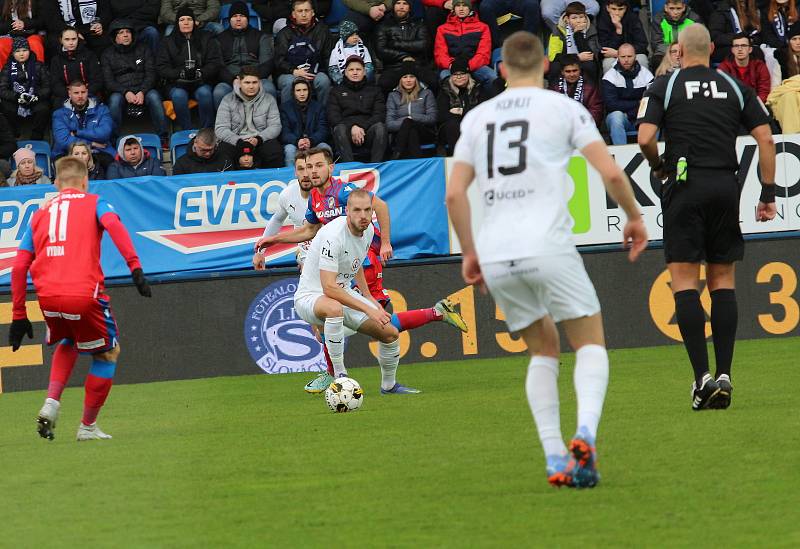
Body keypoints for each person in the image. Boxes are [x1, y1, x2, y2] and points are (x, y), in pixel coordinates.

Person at [446, 30, 647, 488]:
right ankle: (586, 433)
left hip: (497, 253)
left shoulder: (477, 118)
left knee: (543, 349)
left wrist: (471, 251)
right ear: (545, 68)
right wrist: (634, 217)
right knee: (590, 340)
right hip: (549, 245)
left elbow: (454, 194)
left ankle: (555, 457)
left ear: (500, 70)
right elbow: (611, 171)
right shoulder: (564, 108)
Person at [637, 24, 776, 411]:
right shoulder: (733, 86)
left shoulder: (665, 85)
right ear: (713, 49)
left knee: (685, 281)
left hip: (684, 184)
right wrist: (767, 193)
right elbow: (765, 138)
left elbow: (645, 138)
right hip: (723, 185)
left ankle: (702, 380)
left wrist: (660, 166)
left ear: (678, 50)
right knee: (722, 280)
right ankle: (726, 374)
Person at [256, 146, 468, 393]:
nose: (312, 172)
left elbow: (380, 208)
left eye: (317, 166)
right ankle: (338, 375)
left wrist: (386, 243)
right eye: (307, 167)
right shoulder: (318, 205)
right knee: (332, 318)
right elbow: (310, 231)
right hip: (335, 275)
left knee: (381, 329)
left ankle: (368, 379)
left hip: (362, 264)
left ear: (331, 167)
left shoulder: (347, 197)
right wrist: (273, 241)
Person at [8, 156, 152, 442]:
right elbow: (114, 226)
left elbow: (19, 265)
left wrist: (18, 314)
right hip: (84, 294)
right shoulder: (94, 202)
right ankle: (87, 426)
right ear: (85, 181)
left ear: (56, 183)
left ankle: (51, 402)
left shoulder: (39, 214)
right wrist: (134, 266)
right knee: (109, 352)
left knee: (70, 340)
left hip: (47, 297)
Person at [101, 20, 169, 149]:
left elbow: (151, 73)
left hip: (144, 89)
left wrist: (142, 91)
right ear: (115, 37)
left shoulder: (144, 49)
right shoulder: (107, 54)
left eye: (128, 32)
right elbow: (108, 81)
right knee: (114, 101)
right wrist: (125, 92)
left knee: (154, 96)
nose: (126, 35)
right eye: (121, 33)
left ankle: (163, 137)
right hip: (121, 92)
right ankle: (114, 139)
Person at [157, 7, 223, 131]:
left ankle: (207, 131)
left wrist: (199, 73)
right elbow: (162, 67)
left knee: (205, 93)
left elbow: (214, 63)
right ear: (177, 23)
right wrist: (181, 73)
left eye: (189, 19)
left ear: (194, 22)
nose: (186, 22)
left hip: (201, 81)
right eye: (182, 20)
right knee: (178, 96)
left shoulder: (206, 38)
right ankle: (186, 132)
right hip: (176, 83)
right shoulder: (167, 41)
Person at [253, 149, 314, 270]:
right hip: (307, 260)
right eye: (301, 169)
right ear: (295, 172)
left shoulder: (329, 196)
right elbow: (277, 220)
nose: (305, 174)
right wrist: (260, 252)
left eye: (309, 168)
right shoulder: (287, 195)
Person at [215, 66, 283, 169]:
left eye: (254, 82)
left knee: (274, 150)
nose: (251, 86)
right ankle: (229, 183)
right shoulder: (227, 100)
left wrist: (259, 139)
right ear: (239, 82)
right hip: (235, 141)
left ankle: (269, 181)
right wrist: (238, 141)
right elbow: (220, 129)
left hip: (260, 140)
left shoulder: (269, 100)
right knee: (222, 151)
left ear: (259, 82)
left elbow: (275, 126)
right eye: (247, 82)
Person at [213, 0, 277, 108]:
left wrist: (251, 80)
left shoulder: (261, 36)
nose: (238, 19)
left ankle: (268, 122)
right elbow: (218, 65)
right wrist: (232, 80)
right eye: (234, 16)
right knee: (219, 92)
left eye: (242, 16)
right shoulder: (219, 39)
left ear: (247, 18)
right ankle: (222, 124)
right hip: (231, 80)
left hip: (257, 78)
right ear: (229, 19)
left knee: (269, 89)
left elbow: (267, 63)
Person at [327, 55, 387, 162]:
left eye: (358, 69)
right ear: (345, 72)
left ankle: (376, 167)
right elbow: (333, 117)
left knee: (380, 127)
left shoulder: (375, 90)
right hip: (346, 133)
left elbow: (379, 114)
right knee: (339, 129)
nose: (355, 72)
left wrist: (362, 127)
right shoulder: (336, 91)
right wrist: (352, 127)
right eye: (351, 69)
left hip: (368, 131)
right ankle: (349, 167)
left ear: (364, 72)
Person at [273, 0, 333, 105]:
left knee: (323, 81)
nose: (304, 14)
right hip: (290, 73)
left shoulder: (323, 31)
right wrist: (294, 71)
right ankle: (288, 118)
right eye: (300, 11)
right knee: (289, 82)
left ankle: (323, 116)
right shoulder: (284, 33)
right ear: (293, 14)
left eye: (307, 10)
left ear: (313, 12)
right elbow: (278, 61)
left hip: (315, 71)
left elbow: (327, 57)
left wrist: (319, 71)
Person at [374, 0, 435, 94]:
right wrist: (404, 57)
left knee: (434, 81)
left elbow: (423, 45)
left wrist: (395, 44)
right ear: (393, 6)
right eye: (398, 3)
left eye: (405, 4)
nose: (401, 7)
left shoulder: (419, 24)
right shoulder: (384, 25)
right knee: (383, 84)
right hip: (394, 66)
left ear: (410, 7)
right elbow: (381, 50)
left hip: (417, 64)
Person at [434, 0, 496, 89]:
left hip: (475, 65)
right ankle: (455, 102)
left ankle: (486, 101)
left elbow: (484, 54)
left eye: (465, 5)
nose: (461, 9)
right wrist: (452, 66)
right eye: (458, 6)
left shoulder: (483, 27)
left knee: (492, 77)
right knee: (445, 78)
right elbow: (440, 54)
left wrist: (468, 66)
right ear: (453, 9)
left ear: (470, 8)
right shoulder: (442, 29)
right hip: (452, 66)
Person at [52, 80, 115, 164]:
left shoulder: (102, 110)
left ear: (87, 92)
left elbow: (104, 134)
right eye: (76, 93)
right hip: (68, 152)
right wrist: (91, 143)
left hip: (99, 151)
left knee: (109, 162)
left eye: (83, 92)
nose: (80, 96)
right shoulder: (59, 114)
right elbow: (63, 141)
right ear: (69, 94)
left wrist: (77, 133)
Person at [602, 43, 653, 145]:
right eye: (623, 57)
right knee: (616, 116)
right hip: (620, 119)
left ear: (635, 56)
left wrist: (630, 113)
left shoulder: (646, 75)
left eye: (629, 56)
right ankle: (622, 155)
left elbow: (650, 103)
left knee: (653, 116)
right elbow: (612, 105)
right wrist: (638, 103)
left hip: (640, 118)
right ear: (618, 57)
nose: (626, 60)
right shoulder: (609, 77)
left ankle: (652, 157)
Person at [0, 37, 50, 140]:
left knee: (44, 108)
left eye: (24, 50)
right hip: (17, 98)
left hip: (34, 97)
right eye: (17, 51)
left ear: (29, 51)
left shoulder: (38, 65)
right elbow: (2, 89)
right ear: (13, 53)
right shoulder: (7, 67)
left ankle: (37, 136)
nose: (21, 54)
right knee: (6, 106)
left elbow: (47, 86)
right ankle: (14, 133)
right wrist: (17, 97)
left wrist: (37, 95)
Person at [385, 61, 437, 159]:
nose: (408, 80)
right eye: (405, 77)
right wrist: (407, 121)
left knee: (409, 123)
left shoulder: (426, 93)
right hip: (401, 133)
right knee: (410, 129)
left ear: (416, 79)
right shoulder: (393, 95)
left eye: (411, 77)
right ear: (400, 80)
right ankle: (418, 160)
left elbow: (432, 118)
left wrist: (412, 118)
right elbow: (390, 124)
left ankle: (396, 154)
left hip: (425, 132)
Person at [436, 56, 485, 155]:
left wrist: (462, 112)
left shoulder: (478, 88)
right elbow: (441, 115)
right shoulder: (445, 89)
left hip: (472, 125)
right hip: (449, 128)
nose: (458, 77)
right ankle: (458, 157)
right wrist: (458, 116)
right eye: (455, 74)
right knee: (452, 125)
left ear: (468, 74)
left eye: (462, 74)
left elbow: (483, 110)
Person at [279, 78, 331, 166]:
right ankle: (292, 177)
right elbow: (284, 132)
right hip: (294, 144)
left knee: (325, 147)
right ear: (293, 92)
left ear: (309, 91)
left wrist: (311, 140)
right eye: (298, 90)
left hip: (314, 143)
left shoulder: (318, 107)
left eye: (305, 90)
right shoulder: (285, 108)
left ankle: (326, 177)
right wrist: (297, 141)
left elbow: (323, 129)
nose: (302, 93)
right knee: (289, 150)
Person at [547, 2, 601, 83]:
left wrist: (577, 34)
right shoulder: (557, 31)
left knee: (590, 65)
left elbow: (590, 55)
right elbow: (553, 56)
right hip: (565, 61)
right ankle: (554, 90)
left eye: (581, 17)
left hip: (583, 61)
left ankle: (590, 91)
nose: (578, 21)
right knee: (555, 66)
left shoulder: (591, 29)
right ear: (567, 19)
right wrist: (576, 57)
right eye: (574, 18)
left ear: (585, 18)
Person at [49, 27, 103, 108]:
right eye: (67, 39)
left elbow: (97, 79)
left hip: (88, 93)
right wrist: (71, 94)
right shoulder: (56, 60)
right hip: (65, 95)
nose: (71, 42)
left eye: (74, 39)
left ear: (78, 39)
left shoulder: (89, 55)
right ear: (61, 40)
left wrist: (83, 93)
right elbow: (55, 83)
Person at [548, 53, 603, 126]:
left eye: (575, 70)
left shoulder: (590, 86)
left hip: (584, 128)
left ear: (580, 70)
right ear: (562, 72)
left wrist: (580, 125)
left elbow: (596, 111)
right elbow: (550, 111)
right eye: (568, 71)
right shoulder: (554, 88)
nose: (572, 74)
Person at [596, 0, 649, 73]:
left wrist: (619, 53)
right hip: (612, 57)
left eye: (621, 9)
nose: (617, 13)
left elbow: (642, 45)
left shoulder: (633, 19)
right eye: (613, 9)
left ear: (626, 8)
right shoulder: (602, 21)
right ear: (607, 8)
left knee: (642, 59)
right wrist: (618, 30)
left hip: (631, 54)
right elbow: (605, 49)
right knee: (608, 63)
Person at [45, 0, 113, 55]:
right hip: (66, 29)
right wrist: (72, 32)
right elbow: (52, 20)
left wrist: (100, 23)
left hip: (91, 28)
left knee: (103, 40)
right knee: (54, 42)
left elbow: (106, 11)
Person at [719, 33, 772, 102]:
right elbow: (722, 92)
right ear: (732, 50)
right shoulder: (724, 68)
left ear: (750, 49)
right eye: (736, 46)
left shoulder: (759, 66)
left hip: (755, 105)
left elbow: (764, 91)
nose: (740, 49)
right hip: (732, 107)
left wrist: (753, 106)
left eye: (743, 45)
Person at [651, 0, 700, 69]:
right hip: (666, 52)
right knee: (656, 60)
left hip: (688, 52)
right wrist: (672, 53)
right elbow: (656, 44)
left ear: (684, 7)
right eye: (671, 8)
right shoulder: (658, 19)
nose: (675, 12)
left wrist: (681, 52)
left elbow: (698, 42)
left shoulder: (694, 19)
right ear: (666, 8)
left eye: (678, 8)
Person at [0, 0, 46, 66]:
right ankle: (4, 74)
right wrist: (12, 24)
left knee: (35, 44)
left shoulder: (34, 2)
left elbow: (42, 21)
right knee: (1, 45)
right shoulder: (3, 3)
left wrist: (25, 24)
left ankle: (39, 72)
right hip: (9, 35)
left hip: (30, 34)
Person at [328, 20, 374, 85]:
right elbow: (333, 69)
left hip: (362, 81)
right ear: (345, 37)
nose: (355, 37)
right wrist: (342, 82)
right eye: (351, 35)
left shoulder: (363, 48)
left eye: (356, 35)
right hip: (344, 83)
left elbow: (368, 66)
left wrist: (361, 79)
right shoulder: (335, 51)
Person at [159, 0, 224, 35]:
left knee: (218, 28)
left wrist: (198, 20)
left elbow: (214, 9)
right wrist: (182, 21)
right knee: (169, 32)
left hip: (201, 21)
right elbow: (165, 12)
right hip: (177, 23)